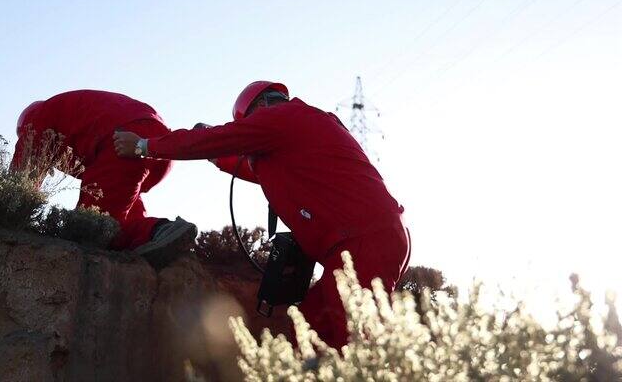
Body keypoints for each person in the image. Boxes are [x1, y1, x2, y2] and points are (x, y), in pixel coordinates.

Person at [112, 81, 411, 348]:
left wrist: (143, 146)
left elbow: (220, 140)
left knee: (356, 343)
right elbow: (251, 167)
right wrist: (215, 156)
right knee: (311, 330)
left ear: (257, 108)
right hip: (369, 238)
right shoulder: (301, 131)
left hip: (362, 241)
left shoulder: (281, 117)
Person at [11, 89, 197, 266]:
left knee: (88, 227)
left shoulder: (37, 122)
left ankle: (158, 231)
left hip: (122, 141)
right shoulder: (69, 115)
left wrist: (13, 220)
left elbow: (19, 185)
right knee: (115, 213)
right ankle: (155, 238)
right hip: (159, 147)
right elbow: (112, 184)